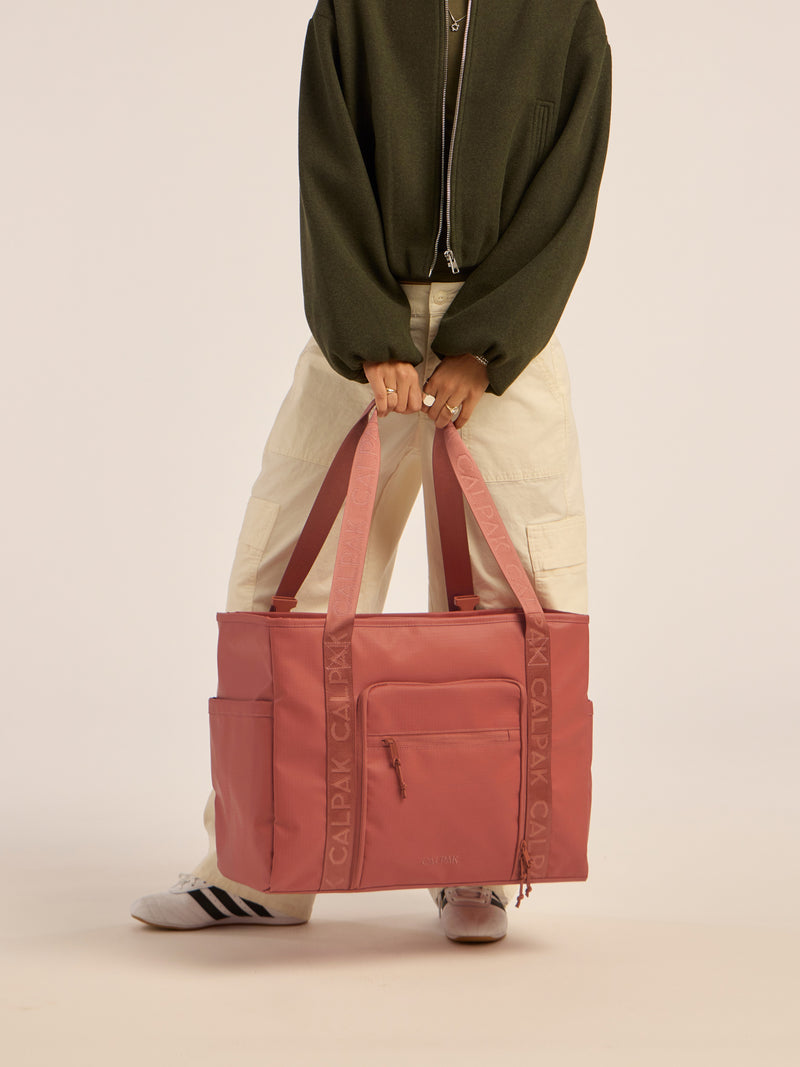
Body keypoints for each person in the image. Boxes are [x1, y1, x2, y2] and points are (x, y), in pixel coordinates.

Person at [131, 0, 612, 944]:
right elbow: (329, 174)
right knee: (283, 577)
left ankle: (480, 856)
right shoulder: (352, 10)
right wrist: (365, 336)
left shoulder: (565, 15)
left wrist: (486, 345)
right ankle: (263, 866)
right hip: (364, 325)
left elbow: (568, 190)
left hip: (506, 343)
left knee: (518, 597)